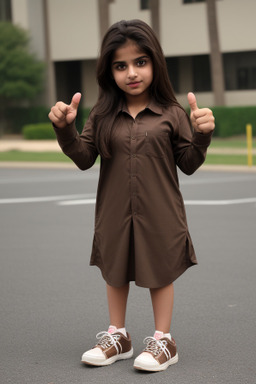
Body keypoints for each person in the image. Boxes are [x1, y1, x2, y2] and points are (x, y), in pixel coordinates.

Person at [48, 19, 215, 372]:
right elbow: (83, 157)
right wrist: (65, 130)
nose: (131, 73)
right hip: (114, 211)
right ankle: (118, 336)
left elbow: (188, 163)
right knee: (115, 271)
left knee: (160, 271)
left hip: (161, 212)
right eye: (120, 65)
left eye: (140, 62)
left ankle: (163, 341)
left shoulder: (172, 114)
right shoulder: (103, 115)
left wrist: (201, 135)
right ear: (109, 71)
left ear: (155, 62)